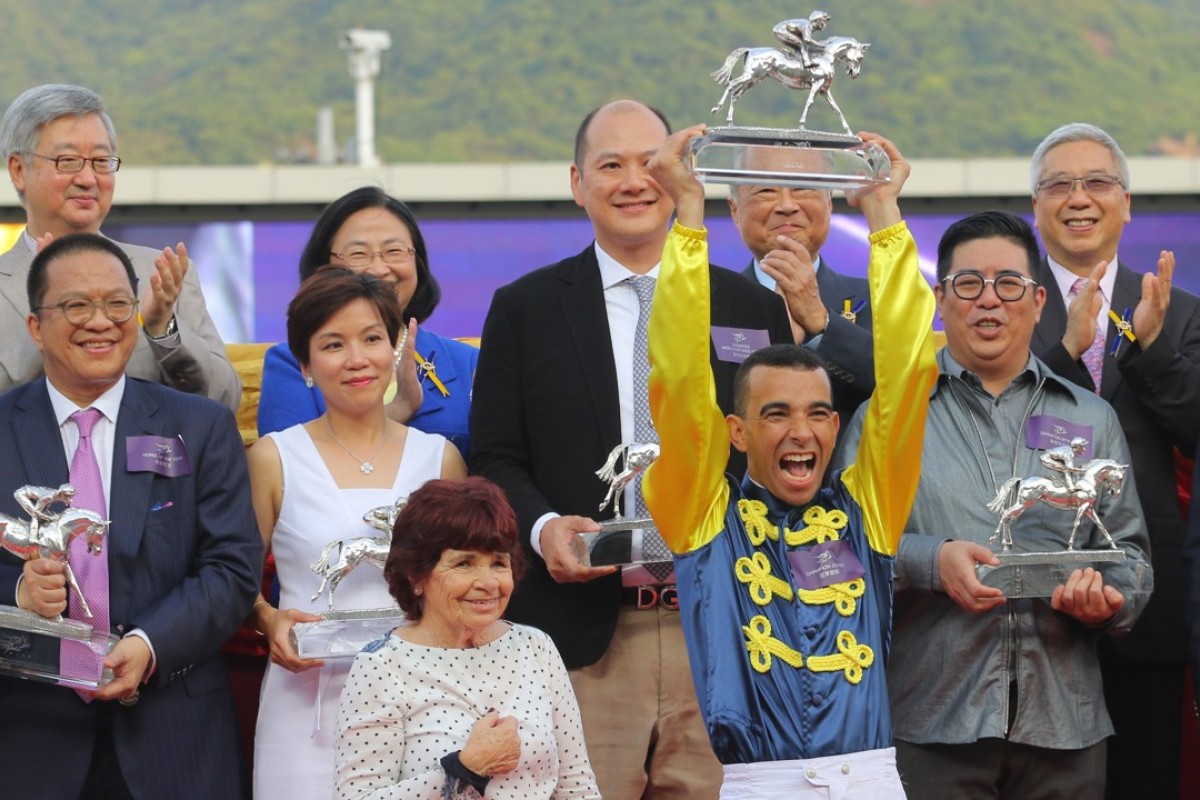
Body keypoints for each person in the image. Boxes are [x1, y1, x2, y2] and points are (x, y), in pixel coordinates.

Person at [469, 99, 792, 798]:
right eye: (610, 165)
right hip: (585, 639)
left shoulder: (747, 307)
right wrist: (545, 526)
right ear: (578, 182)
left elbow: (777, 453)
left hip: (721, 634)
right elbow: (494, 456)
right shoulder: (524, 309)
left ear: (681, 176)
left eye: (652, 163)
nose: (634, 181)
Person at [643, 125, 936, 798]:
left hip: (871, 780)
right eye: (776, 414)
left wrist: (884, 213)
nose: (799, 432)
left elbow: (911, 372)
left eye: (816, 414)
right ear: (738, 432)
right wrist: (688, 212)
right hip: (757, 783)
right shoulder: (703, 516)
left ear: (837, 428)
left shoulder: (870, 506)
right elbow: (680, 382)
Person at [837, 210, 1152, 799]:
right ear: (940, 297)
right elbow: (832, 552)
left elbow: (1130, 557)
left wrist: (1105, 602)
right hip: (930, 724)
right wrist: (931, 562)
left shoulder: (1090, 417)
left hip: (1066, 727)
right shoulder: (888, 418)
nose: (990, 301)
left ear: (1036, 301)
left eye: (1008, 284)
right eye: (968, 284)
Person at [0, 233, 262, 797]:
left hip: (176, 735)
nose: (101, 321)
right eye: (76, 305)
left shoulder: (199, 426)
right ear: (34, 327)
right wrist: (17, 599)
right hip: (27, 740)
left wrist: (149, 643)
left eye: (117, 304)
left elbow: (232, 567)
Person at [1028, 122, 1200, 799]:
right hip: (1029, 605)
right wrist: (1063, 352)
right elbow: (988, 426)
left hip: (1148, 607)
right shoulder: (1003, 307)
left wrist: (1154, 350)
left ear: (1125, 202)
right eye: (1059, 185)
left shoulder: (1181, 313)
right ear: (1035, 207)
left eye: (1097, 182)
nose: (1079, 198)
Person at [248, 265, 466, 799]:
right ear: (304, 363)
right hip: (305, 708)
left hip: (427, 704)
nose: (357, 359)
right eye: (333, 344)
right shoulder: (274, 457)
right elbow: (234, 580)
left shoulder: (441, 459)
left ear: (396, 347)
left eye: (373, 338)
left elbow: (465, 585)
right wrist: (269, 619)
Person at [335, 476, 600, 799]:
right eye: (464, 564)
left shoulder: (536, 647)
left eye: (498, 563)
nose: (488, 582)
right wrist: (466, 768)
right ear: (415, 575)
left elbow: (577, 786)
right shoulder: (382, 666)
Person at [0, 83, 240, 409]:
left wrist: (163, 330)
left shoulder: (163, 275)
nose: (88, 178)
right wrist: (50, 312)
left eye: (101, 161)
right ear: (18, 170)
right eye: (68, 160)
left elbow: (224, 400)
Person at [257, 187, 477, 459]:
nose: (378, 269)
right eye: (358, 254)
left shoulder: (468, 364)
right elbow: (290, 468)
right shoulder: (291, 362)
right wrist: (398, 411)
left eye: (394, 251)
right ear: (322, 265)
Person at [730, 165, 875, 427]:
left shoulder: (876, 297)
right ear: (735, 210)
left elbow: (901, 388)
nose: (787, 205)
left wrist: (822, 323)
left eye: (802, 188)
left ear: (829, 202)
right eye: (765, 191)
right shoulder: (711, 303)